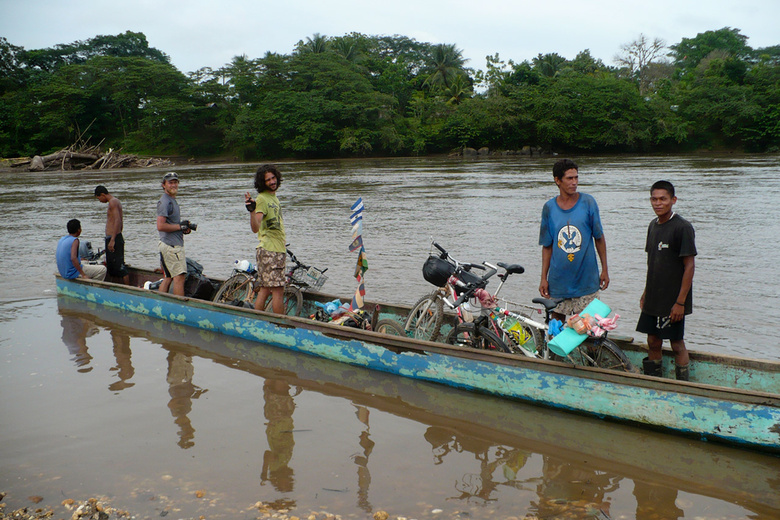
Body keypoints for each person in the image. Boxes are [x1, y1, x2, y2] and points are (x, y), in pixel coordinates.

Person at [636, 180, 696, 381]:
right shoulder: (652, 226)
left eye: (663, 199)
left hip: (673, 299)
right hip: (654, 296)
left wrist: (680, 303)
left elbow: (689, 266)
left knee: (676, 343)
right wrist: (646, 293)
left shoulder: (682, 227)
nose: (658, 203)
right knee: (652, 340)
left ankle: (682, 385)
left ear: (673, 200)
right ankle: (655, 382)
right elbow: (652, 263)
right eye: (654, 199)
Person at [538, 158, 609, 319]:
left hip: (586, 282)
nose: (574, 182)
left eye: (576, 177)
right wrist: (543, 277)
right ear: (557, 181)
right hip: (558, 283)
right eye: (569, 178)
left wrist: (605, 269)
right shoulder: (549, 208)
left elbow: (599, 237)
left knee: (588, 330)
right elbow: (547, 246)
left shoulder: (588, 203)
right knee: (555, 330)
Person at [244, 164, 286, 313]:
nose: (272, 181)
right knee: (278, 290)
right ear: (263, 183)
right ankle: (280, 326)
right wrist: (252, 211)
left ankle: (257, 320)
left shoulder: (274, 198)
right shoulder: (262, 199)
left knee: (266, 288)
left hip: (275, 249)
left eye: (273, 178)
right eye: (268, 180)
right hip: (270, 250)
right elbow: (256, 227)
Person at [156, 172, 195, 296]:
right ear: (164, 185)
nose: (173, 185)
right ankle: (179, 308)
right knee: (179, 277)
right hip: (171, 246)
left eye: (175, 182)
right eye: (170, 183)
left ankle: (161, 303)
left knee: (168, 277)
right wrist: (179, 226)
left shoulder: (171, 200)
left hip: (168, 244)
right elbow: (160, 226)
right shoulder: (165, 202)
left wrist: (182, 228)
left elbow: (170, 224)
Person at [94, 185, 129, 284]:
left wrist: (113, 239)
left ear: (102, 195)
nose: (100, 201)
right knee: (113, 266)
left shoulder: (113, 202)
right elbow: (120, 222)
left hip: (114, 238)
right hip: (115, 237)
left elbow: (117, 220)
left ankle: (128, 289)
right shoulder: (115, 201)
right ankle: (117, 287)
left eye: (99, 198)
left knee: (120, 267)